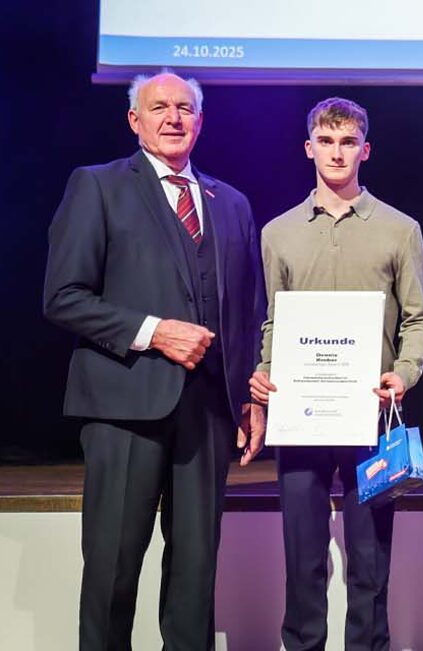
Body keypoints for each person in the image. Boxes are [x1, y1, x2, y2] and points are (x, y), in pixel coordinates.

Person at [42, 71, 265, 650]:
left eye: (185, 107)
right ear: (134, 120)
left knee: (196, 576)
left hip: (209, 413)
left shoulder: (231, 202)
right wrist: (153, 331)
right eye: (158, 107)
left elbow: (246, 309)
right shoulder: (97, 186)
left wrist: (245, 396)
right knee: (113, 572)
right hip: (123, 409)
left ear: (200, 120)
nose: (173, 117)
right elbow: (63, 296)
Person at [247, 97, 423, 651]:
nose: (336, 152)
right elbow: (271, 323)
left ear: (365, 150)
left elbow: (419, 318)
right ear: (309, 149)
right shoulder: (278, 232)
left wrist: (403, 374)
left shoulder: (400, 230)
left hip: (371, 417)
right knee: (302, 558)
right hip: (299, 415)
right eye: (326, 142)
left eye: (348, 141)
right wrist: (262, 378)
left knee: (369, 561)